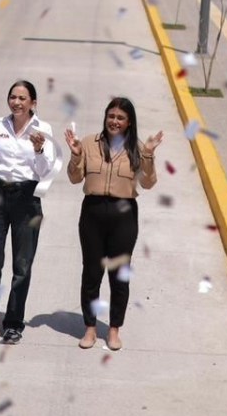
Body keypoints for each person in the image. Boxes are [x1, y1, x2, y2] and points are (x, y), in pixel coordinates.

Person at [65, 97, 163, 352]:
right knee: (91, 273)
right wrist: (75, 156)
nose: (115, 121)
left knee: (119, 275)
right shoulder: (89, 143)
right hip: (93, 212)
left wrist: (149, 154)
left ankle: (114, 329)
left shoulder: (137, 148)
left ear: (129, 122)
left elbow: (148, 183)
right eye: (111, 116)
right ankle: (89, 328)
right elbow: (75, 178)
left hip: (124, 215)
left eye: (120, 118)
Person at [0, 80, 57, 345]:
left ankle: (13, 322)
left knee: (22, 264)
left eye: (22, 98)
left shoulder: (43, 130)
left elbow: (45, 170)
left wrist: (39, 149)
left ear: (33, 103)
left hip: (27, 196)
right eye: (13, 97)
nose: (17, 103)